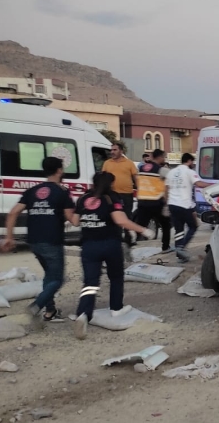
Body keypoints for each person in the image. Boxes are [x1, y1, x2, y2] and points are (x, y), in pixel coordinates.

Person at [68, 171, 154, 340]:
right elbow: (120, 220)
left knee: (90, 283)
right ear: (110, 184)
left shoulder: (83, 199)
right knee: (116, 277)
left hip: (89, 246)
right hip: (110, 244)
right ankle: (116, 308)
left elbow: (75, 221)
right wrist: (143, 230)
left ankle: (83, 314)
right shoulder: (112, 198)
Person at [0, 157, 75, 323]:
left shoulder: (32, 191)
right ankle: (36, 306)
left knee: (49, 275)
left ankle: (50, 311)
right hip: (52, 240)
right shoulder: (62, 192)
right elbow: (71, 217)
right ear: (60, 170)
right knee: (57, 279)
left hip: (34, 241)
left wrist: (9, 237)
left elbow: (13, 213)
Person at [165, 153, 211, 262]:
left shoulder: (171, 172)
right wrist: (212, 185)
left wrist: (167, 203)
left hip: (172, 204)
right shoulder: (189, 172)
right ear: (189, 161)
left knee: (178, 230)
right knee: (193, 226)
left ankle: (180, 255)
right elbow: (199, 184)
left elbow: (166, 189)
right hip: (185, 205)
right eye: (192, 162)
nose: (193, 164)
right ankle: (181, 248)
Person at [135, 149, 172, 253]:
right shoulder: (162, 170)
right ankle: (165, 247)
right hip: (156, 202)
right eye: (163, 157)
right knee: (165, 225)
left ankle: (130, 244)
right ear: (159, 157)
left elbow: (138, 182)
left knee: (140, 226)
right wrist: (166, 204)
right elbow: (166, 188)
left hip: (142, 201)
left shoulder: (141, 168)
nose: (164, 159)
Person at [103, 141, 138, 252]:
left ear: (121, 151)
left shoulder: (129, 163)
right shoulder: (107, 163)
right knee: (114, 218)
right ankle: (116, 240)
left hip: (126, 194)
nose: (112, 152)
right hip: (112, 195)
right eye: (111, 150)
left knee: (127, 217)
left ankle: (128, 242)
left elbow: (136, 178)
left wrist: (140, 190)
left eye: (115, 150)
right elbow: (103, 178)